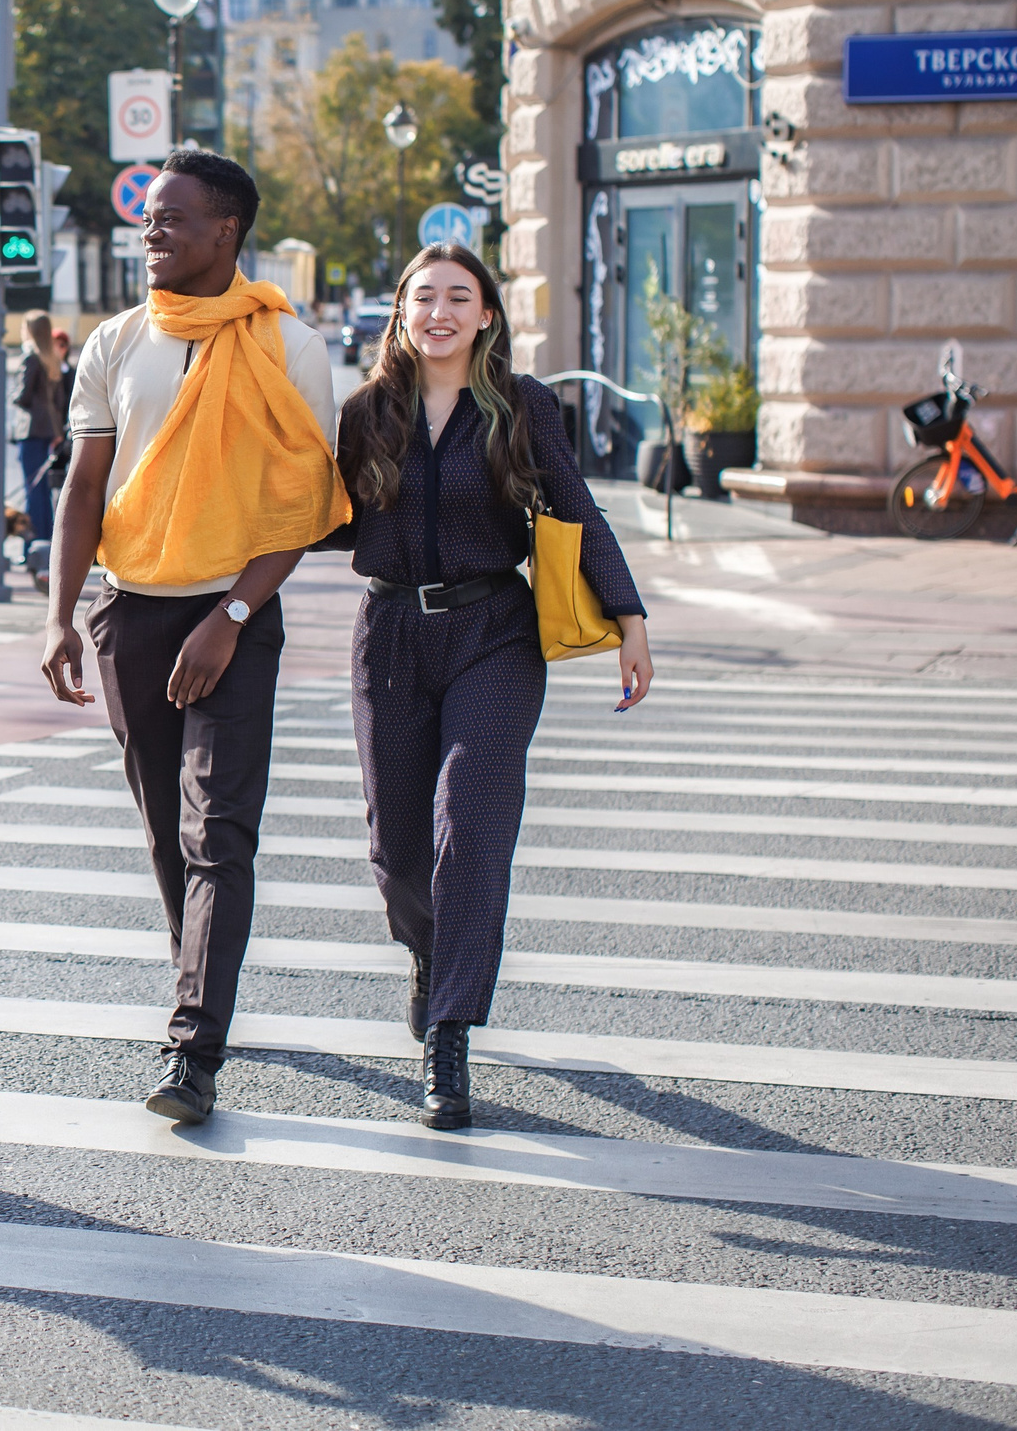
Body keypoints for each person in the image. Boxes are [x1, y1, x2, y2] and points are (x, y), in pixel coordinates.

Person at [37, 147, 345, 1127]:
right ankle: (198, 984)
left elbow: (301, 504)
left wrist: (234, 616)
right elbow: (85, 488)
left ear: (228, 232)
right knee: (167, 828)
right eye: (146, 222)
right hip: (132, 610)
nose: (152, 234)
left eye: (173, 219)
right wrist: (58, 616)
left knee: (219, 830)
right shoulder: (116, 342)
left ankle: (192, 1046)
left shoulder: (284, 346)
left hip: (234, 614)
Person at [333, 242, 651, 1131]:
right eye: (423, 296)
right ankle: (430, 956)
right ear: (401, 311)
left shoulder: (521, 405)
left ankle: (450, 1032)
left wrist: (629, 616)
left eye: (458, 297)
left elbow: (574, 506)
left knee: (470, 822)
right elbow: (320, 517)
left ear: (486, 315)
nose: (439, 312)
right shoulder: (367, 412)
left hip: (495, 632)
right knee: (398, 850)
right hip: (391, 631)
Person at [14, 312, 66, 583]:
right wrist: (57, 431)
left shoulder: (30, 357)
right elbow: (57, 401)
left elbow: (22, 396)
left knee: (32, 491)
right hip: (48, 432)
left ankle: (31, 548)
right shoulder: (52, 358)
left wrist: (12, 394)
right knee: (43, 493)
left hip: (31, 430)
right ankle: (45, 546)